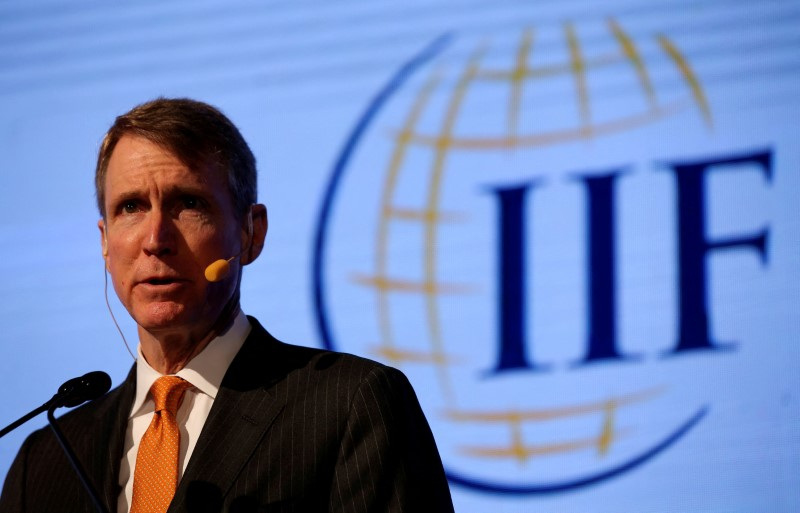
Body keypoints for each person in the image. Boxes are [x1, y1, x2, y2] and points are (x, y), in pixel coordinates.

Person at [0, 98, 454, 512]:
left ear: (250, 232)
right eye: (132, 207)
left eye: (189, 204)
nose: (155, 240)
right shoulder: (45, 459)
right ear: (105, 241)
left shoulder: (351, 405)